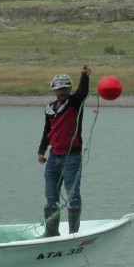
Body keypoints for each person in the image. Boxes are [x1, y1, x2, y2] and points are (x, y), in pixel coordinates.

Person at [38, 66, 91, 236]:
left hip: (71, 157)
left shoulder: (74, 104)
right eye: (59, 88)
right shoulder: (49, 109)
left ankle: (73, 233)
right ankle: (51, 231)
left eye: (65, 88)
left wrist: (84, 76)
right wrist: (41, 151)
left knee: (72, 195)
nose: (62, 91)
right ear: (54, 90)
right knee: (50, 195)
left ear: (69, 89)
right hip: (53, 157)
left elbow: (82, 92)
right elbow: (48, 131)